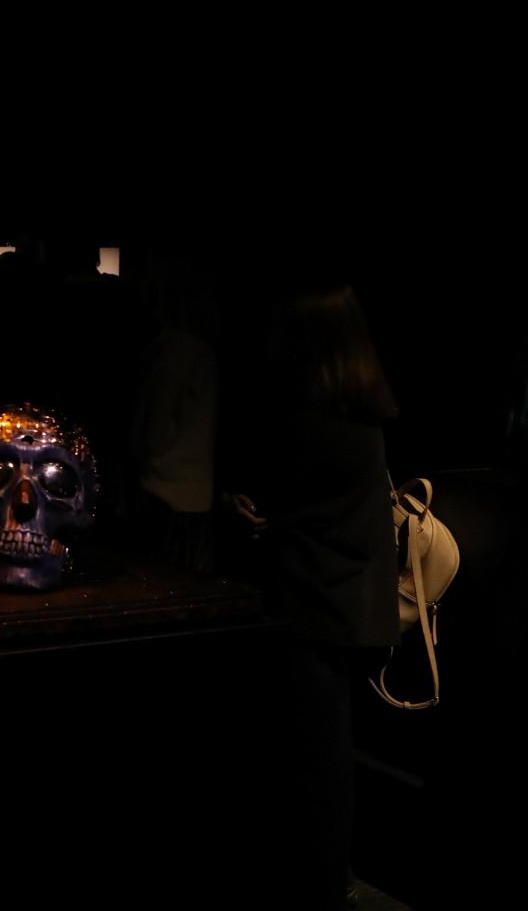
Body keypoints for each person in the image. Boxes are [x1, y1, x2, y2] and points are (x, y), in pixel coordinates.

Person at [222, 279, 399, 907]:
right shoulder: (360, 409)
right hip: (347, 604)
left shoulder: (314, 416)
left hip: (312, 603)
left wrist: (249, 516)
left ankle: (320, 880)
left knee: (314, 758)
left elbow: (287, 505)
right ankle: (327, 876)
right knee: (326, 754)